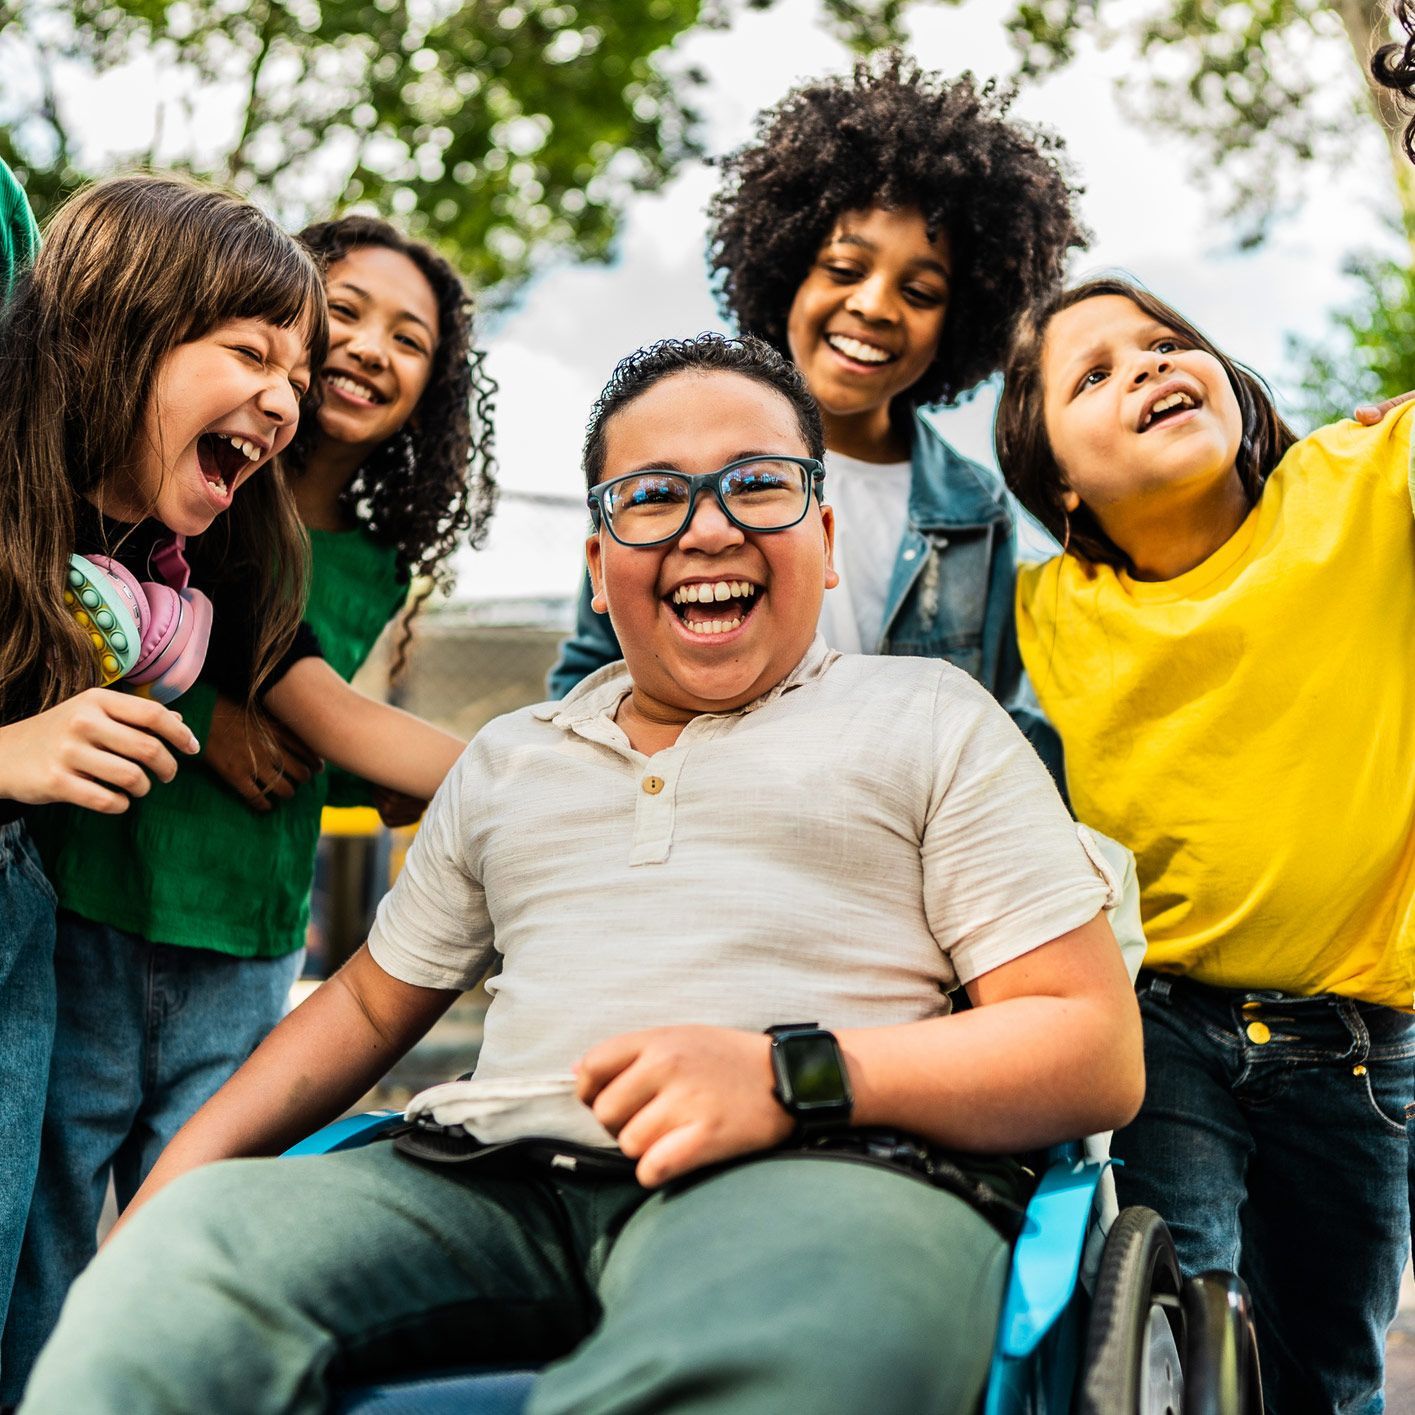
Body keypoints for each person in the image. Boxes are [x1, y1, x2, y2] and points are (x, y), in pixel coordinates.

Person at [19, 334, 1143, 1415]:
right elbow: (363, 1003)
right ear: (599, 569)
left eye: (756, 484)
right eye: (652, 498)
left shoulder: (930, 717)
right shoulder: (511, 758)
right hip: (484, 1174)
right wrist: (167, 1204)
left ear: (827, 534)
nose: (706, 529)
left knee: (795, 1345)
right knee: (181, 1273)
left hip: (827, 1164)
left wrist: (784, 1074)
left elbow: (1088, 1048)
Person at [2, 217, 489, 1398]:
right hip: (96, 896)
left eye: (298, 361)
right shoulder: (148, 526)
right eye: (274, 342)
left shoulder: (244, 534)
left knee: (170, 1212)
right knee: (42, 1215)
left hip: (239, 926)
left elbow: (324, 708)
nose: (314, 373)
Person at [995, 276, 1415, 1413]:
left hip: (1358, 1043)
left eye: (1165, 342)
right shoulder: (1043, 608)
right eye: (1093, 374)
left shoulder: (1360, 481)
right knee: (1176, 1331)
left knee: (1327, 1364)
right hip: (1159, 1020)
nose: (1145, 365)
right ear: (1061, 487)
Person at [0, 168, 326, 1376]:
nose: (286, 397)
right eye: (251, 350)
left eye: (297, 373)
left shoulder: (134, 566)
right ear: (104, 330)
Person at [549, 53, 1084, 779]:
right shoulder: (663, 465)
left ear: (961, 325)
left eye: (920, 292)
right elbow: (592, 670)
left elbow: (986, 709)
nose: (873, 305)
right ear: (785, 270)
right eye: (843, 269)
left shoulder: (973, 508)